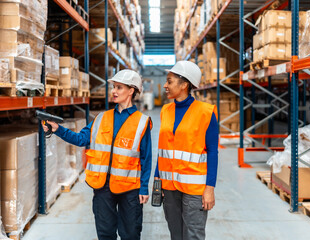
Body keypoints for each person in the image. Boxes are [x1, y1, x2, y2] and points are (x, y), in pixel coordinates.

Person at [42, 70, 152, 240]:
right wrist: (58, 129)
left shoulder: (142, 122)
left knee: (130, 234)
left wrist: (144, 187)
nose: (114, 91)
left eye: (119, 87)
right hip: (103, 187)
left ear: (131, 90)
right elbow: (80, 139)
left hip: (129, 187)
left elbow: (146, 158)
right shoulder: (101, 118)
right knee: (105, 233)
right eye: (113, 87)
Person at [154, 61, 219, 240]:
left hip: (194, 188)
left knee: (193, 235)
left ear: (184, 85)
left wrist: (210, 189)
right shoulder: (166, 110)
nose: (165, 85)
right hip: (169, 185)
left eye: (170, 81)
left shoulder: (206, 112)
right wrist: (157, 178)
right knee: (175, 234)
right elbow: (163, 149)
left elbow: (213, 152)